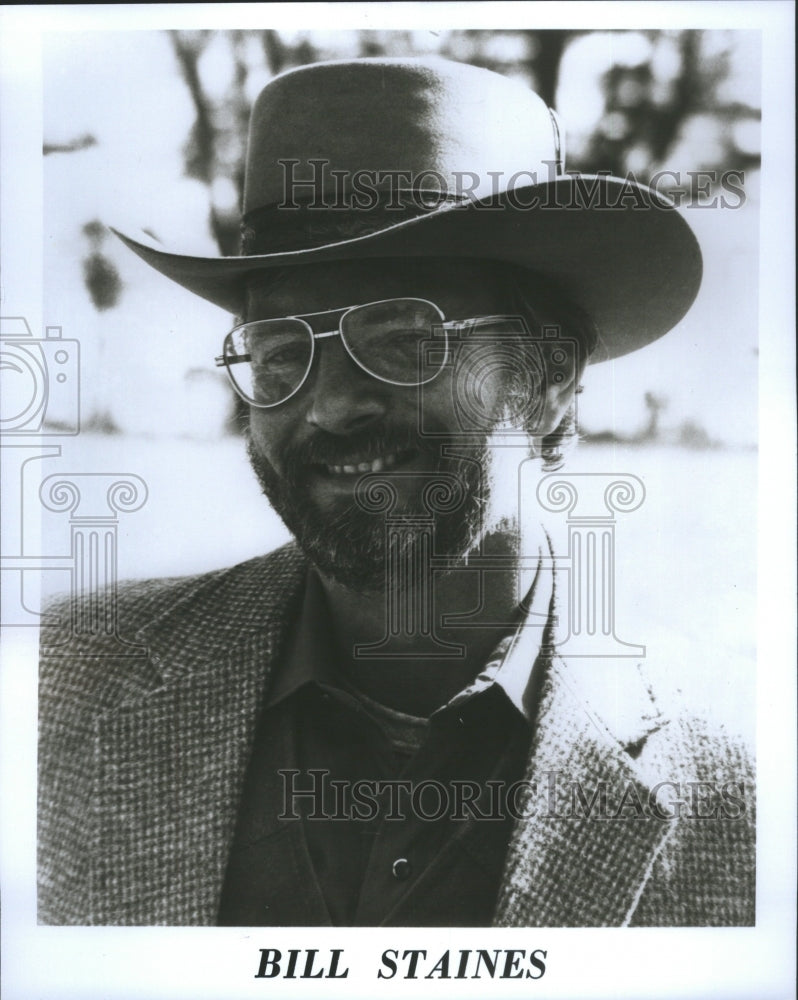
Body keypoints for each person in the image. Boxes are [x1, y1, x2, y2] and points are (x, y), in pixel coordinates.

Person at [38, 57, 754, 927]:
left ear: (551, 375)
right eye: (280, 353)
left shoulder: (744, 780)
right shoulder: (61, 688)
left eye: (408, 341)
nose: (332, 407)